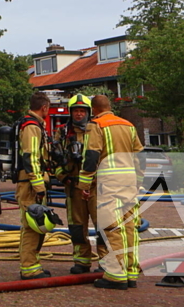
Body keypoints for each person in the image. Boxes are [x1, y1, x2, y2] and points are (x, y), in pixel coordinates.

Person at [79, 95, 144, 290]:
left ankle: (115, 275)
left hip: (109, 183)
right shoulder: (128, 125)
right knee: (129, 228)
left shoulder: (96, 125)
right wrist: (139, 180)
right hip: (129, 182)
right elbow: (140, 156)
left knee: (112, 228)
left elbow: (91, 156)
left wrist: (84, 185)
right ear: (110, 107)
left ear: (94, 109)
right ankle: (131, 273)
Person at [57, 94, 103, 274]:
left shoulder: (97, 130)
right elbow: (54, 159)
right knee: (76, 226)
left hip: (96, 186)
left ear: (89, 112)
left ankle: (105, 261)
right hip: (74, 186)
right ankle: (82, 261)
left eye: (82, 110)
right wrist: (63, 177)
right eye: (75, 111)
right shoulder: (62, 133)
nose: (78, 114)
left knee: (102, 226)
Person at [16, 92, 52, 280]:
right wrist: (38, 186)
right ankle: (29, 267)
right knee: (31, 225)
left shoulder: (34, 124)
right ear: (44, 107)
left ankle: (33, 264)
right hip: (30, 185)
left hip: (32, 183)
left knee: (37, 226)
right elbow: (30, 158)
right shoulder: (31, 126)